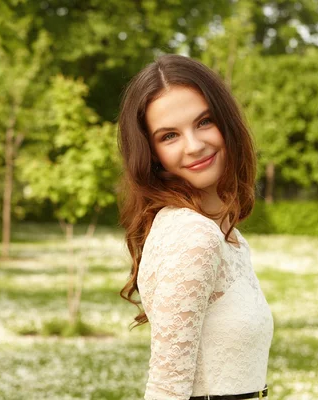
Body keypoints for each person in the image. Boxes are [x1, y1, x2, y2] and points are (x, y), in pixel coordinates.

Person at [117, 54, 274, 400]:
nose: (194, 145)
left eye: (204, 122)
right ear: (152, 153)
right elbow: (166, 389)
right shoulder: (194, 235)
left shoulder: (226, 236)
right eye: (169, 135)